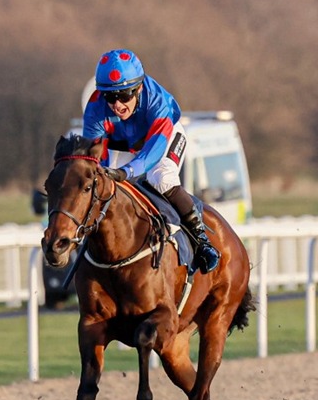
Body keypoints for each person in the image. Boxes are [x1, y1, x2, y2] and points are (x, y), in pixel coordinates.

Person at [82, 48, 220, 274]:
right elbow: (95, 153)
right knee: (102, 188)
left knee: (161, 179)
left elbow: (151, 154)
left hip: (162, 139)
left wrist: (126, 172)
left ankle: (202, 241)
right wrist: (105, 174)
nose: (117, 104)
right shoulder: (95, 108)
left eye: (125, 95)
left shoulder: (158, 102)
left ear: (138, 89)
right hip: (122, 145)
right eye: (110, 96)